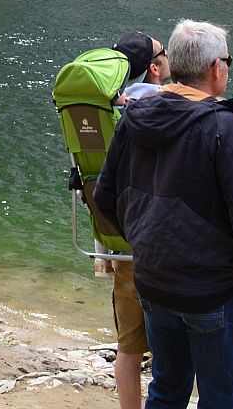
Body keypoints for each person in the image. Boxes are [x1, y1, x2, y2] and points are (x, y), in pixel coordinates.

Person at [93, 20, 233, 409]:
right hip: (213, 288)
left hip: (154, 279)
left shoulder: (135, 117)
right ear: (217, 68)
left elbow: (105, 196)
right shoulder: (224, 126)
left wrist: (145, 240)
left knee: (166, 390)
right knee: (221, 399)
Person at [100, 31, 167, 409]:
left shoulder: (111, 107)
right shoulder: (164, 105)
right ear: (155, 68)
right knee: (169, 351)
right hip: (156, 246)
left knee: (129, 348)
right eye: (164, 53)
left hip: (122, 244)